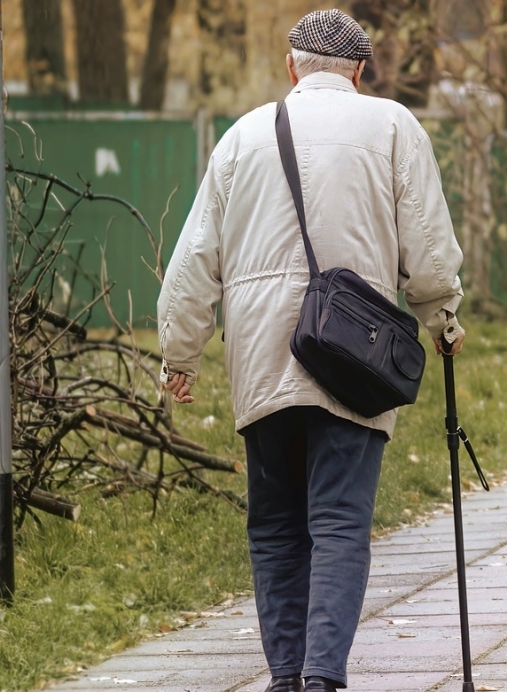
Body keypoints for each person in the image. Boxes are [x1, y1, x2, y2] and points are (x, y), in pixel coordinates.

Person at [156, 9, 465, 692]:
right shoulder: (392, 127)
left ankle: (286, 679)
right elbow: (430, 249)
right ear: (359, 71)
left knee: (274, 528)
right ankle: (322, 677)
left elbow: (193, 262)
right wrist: (442, 318)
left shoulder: (242, 138)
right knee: (339, 523)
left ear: (291, 67)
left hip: (263, 361)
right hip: (352, 357)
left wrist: (180, 356)